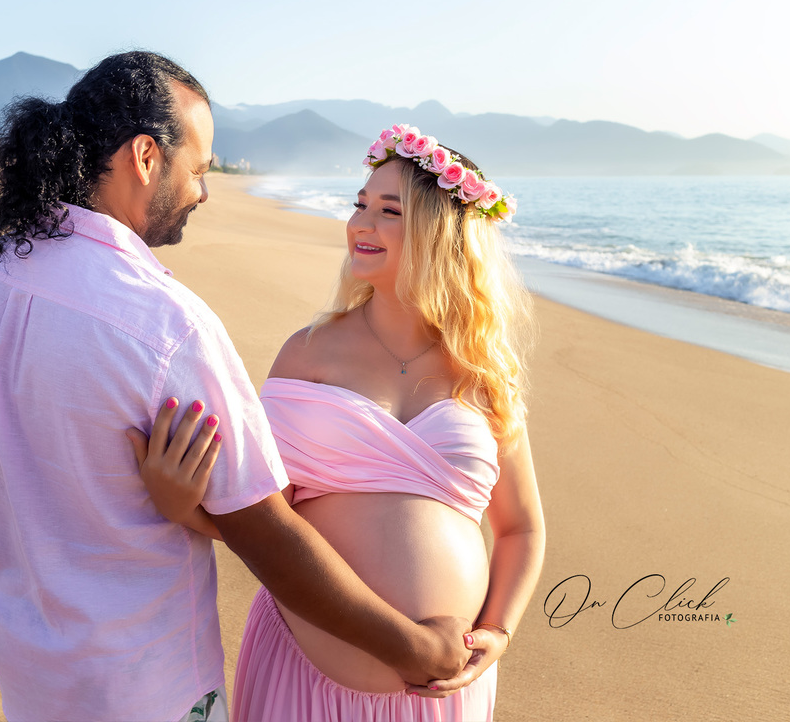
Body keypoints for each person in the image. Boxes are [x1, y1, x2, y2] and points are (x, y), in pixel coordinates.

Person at [0, 57, 472, 722]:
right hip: (151, 689)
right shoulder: (164, 325)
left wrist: (34, 585)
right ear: (147, 157)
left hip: (32, 676)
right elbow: (265, 533)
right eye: (201, 169)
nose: (204, 193)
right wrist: (413, 646)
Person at [138, 124, 546, 721]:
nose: (360, 223)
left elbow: (520, 530)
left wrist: (500, 633)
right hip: (305, 678)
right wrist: (185, 508)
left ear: (441, 232)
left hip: (444, 694)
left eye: (387, 210)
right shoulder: (310, 352)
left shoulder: (483, 374)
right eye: (359, 205)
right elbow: (264, 515)